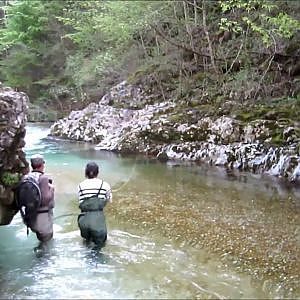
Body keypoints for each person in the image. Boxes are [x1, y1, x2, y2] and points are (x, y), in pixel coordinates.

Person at [77, 161, 112, 246]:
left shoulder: (80, 186)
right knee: (99, 248)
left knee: (86, 245)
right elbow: (110, 200)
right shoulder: (105, 184)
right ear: (97, 172)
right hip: (98, 222)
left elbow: (80, 201)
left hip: (84, 221)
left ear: (86, 172)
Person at [28, 154, 55, 242]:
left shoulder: (27, 178)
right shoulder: (43, 178)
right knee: (46, 244)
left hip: (31, 218)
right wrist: (51, 189)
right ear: (42, 165)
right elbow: (45, 199)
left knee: (41, 240)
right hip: (43, 217)